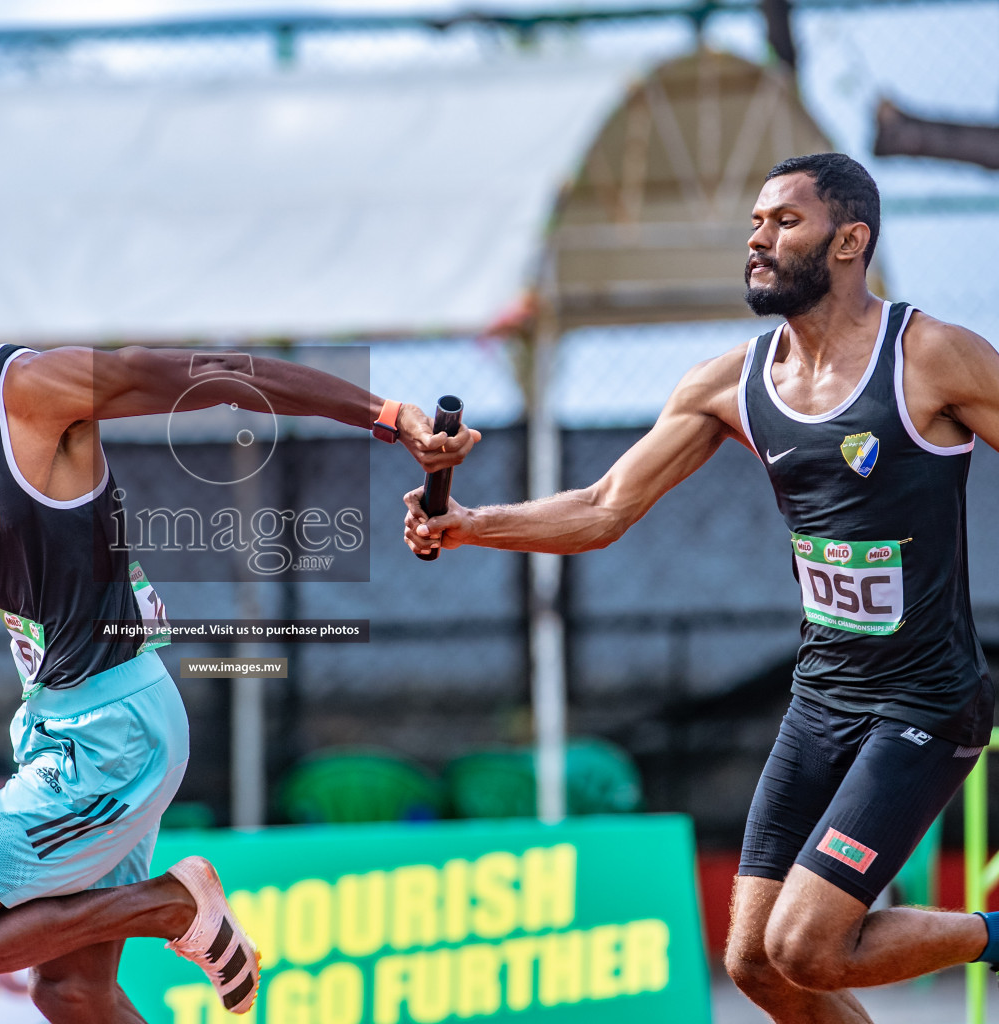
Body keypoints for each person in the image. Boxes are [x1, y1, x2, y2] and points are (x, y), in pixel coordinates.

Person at [0, 219, 477, 1021]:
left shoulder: (34, 393)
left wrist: (386, 414)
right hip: (57, 722)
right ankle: (168, 908)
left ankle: (173, 906)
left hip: (114, 730)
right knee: (72, 993)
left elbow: (210, 376)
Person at [404, 152, 999, 1021]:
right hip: (822, 699)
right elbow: (604, 505)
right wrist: (470, 524)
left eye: (784, 222)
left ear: (850, 240)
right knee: (757, 964)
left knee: (807, 946)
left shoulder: (933, 359)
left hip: (926, 702)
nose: (758, 240)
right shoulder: (730, 384)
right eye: (754, 223)